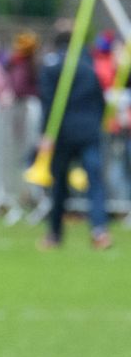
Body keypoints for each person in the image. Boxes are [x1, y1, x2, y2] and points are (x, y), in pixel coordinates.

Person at [38, 28, 112, 250]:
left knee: (59, 185)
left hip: (62, 134)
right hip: (89, 133)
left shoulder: (52, 68)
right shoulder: (88, 68)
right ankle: (99, 231)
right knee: (95, 183)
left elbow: (48, 102)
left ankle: (54, 234)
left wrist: (46, 134)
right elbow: (99, 101)